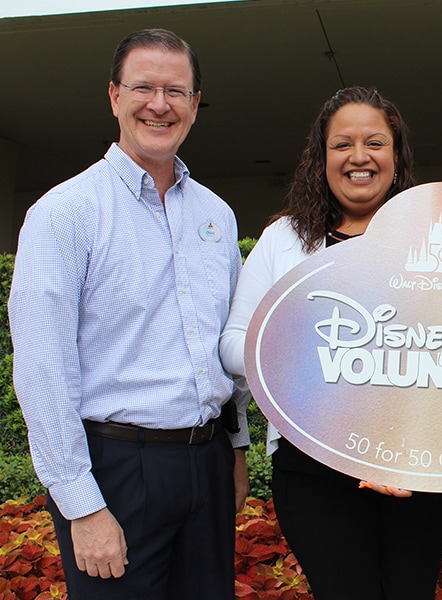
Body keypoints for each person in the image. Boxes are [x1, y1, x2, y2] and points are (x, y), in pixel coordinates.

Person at [8, 29, 249, 600]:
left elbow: (228, 342)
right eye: (143, 87)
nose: (159, 104)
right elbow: (43, 369)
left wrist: (236, 450)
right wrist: (81, 505)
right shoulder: (65, 212)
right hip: (115, 469)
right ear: (114, 96)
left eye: (175, 91)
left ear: (195, 104)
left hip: (207, 461)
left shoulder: (217, 215)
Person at [219, 86, 442, 599]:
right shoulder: (285, 240)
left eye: (374, 143)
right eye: (342, 144)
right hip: (313, 463)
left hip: (417, 462)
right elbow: (232, 345)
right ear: (321, 157)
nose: (359, 157)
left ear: (397, 156)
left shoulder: (441, 242)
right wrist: (308, 347)